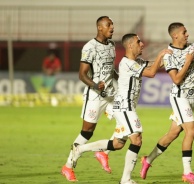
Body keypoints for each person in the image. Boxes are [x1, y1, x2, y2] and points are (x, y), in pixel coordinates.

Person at [70, 33, 172, 184]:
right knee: (136, 140)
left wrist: (171, 54)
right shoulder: (126, 63)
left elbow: (152, 65)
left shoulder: (136, 61)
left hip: (125, 107)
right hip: (125, 107)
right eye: (139, 42)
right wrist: (160, 55)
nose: (142, 44)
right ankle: (126, 180)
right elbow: (151, 73)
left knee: (118, 144)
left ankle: (80, 149)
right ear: (130, 45)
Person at [140, 22, 194, 184]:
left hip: (192, 98)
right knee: (191, 131)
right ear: (175, 35)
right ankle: (187, 173)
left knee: (173, 134)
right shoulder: (169, 55)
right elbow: (176, 79)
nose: (187, 34)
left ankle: (147, 160)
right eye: (184, 32)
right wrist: (188, 61)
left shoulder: (191, 47)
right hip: (179, 97)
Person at [61, 16, 118, 181]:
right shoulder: (90, 47)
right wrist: (95, 85)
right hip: (95, 96)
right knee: (87, 132)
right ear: (100, 27)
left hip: (110, 95)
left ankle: (103, 153)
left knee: (127, 123)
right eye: (109, 25)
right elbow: (82, 74)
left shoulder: (112, 45)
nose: (112, 28)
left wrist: (120, 77)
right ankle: (68, 166)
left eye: (112, 25)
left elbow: (110, 70)